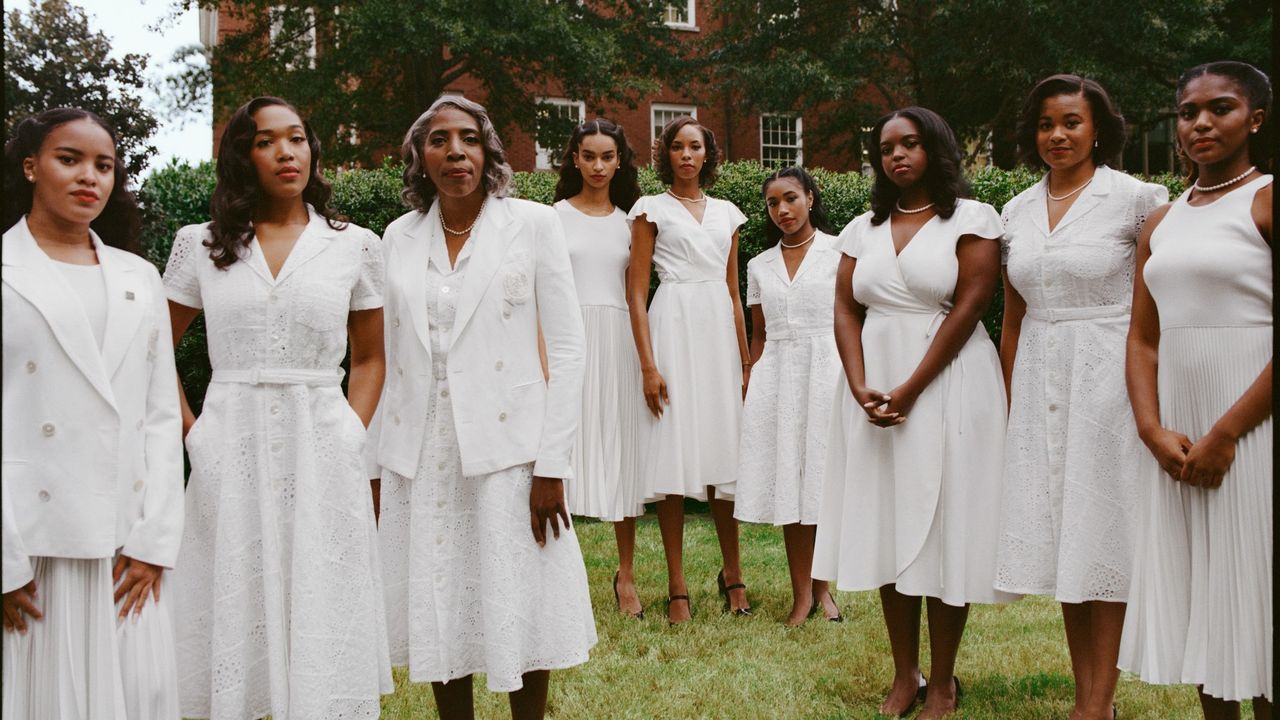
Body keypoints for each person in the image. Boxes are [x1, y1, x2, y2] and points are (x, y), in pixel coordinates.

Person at [164, 96, 392, 719]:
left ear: (313, 149)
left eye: (296, 138)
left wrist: (350, 430)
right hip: (229, 439)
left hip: (322, 437)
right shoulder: (201, 244)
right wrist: (195, 436)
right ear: (244, 155)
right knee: (232, 586)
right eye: (266, 141)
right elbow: (152, 349)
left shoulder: (355, 245)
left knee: (318, 586)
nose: (285, 151)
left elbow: (371, 358)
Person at [374, 95, 596, 720]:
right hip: (424, 449)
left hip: (511, 449)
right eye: (439, 140)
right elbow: (385, 359)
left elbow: (570, 348)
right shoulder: (398, 237)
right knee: (443, 595)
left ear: (488, 150)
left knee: (517, 594)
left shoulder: (531, 224)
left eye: (467, 139)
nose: (455, 152)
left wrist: (552, 464)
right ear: (421, 156)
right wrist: (373, 465)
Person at [813, 106, 1012, 719]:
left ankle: (945, 681)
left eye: (911, 144)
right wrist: (859, 383)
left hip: (948, 381)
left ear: (938, 149)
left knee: (947, 525)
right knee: (884, 523)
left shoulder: (974, 219)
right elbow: (845, 309)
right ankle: (906, 674)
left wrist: (911, 388)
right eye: (886, 147)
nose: (896, 155)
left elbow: (973, 304)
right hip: (874, 386)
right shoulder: (860, 229)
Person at [992, 74, 1168, 720]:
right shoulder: (1014, 210)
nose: (1057, 135)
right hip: (1040, 376)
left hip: (1109, 378)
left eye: (1071, 122)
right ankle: (1083, 694)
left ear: (1098, 128)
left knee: (1105, 533)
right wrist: (1011, 401)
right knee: (1068, 537)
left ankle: (1100, 703)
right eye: (1045, 124)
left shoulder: (1136, 201)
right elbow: (1012, 321)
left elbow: (1158, 307)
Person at [1, 108, 184, 719]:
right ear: (30, 166)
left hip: (125, 545)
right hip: (31, 548)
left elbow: (159, 415)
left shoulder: (140, 277)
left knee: (139, 698)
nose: (90, 177)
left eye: (104, 165)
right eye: (69, 159)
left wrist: (156, 539)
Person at [1120, 61, 1272, 720]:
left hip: (1252, 425)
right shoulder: (1161, 220)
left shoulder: (1267, 198)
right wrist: (1153, 429)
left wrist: (1228, 433)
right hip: (1178, 430)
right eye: (1188, 112)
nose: (1202, 122)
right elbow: (1141, 340)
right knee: (1201, 596)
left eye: (1221, 108)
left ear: (1256, 119)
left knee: (1256, 591)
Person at [627, 116, 752, 624]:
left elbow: (734, 292)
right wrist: (648, 365)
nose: (685, 154)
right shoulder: (649, 210)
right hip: (672, 328)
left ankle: (734, 574)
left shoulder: (728, 214)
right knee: (673, 459)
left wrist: (745, 365)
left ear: (707, 154)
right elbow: (636, 293)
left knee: (724, 458)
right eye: (676, 146)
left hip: (717, 336)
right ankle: (677, 586)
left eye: (694, 146)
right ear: (666, 155)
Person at [735, 166, 843, 626]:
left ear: (811, 199)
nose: (782, 209)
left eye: (791, 198)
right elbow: (758, 335)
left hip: (828, 372)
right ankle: (802, 594)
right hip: (777, 376)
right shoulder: (758, 265)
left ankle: (825, 592)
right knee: (790, 487)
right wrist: (750, 382)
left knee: (821, 482)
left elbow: (851, 321)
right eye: (773, 203)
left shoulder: (841, 253)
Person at [551, 119, 647, 619]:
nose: (597, 166)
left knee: (620, 453)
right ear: (574, 159)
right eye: (588, 156)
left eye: (606, 157)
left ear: (618, 162)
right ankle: (556, 576)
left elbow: (635, 296)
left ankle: (626, 575)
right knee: (561, 455)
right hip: (568, 342)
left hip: (618, 342)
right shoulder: (552, 219)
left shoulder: (630, 223)